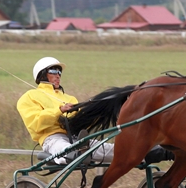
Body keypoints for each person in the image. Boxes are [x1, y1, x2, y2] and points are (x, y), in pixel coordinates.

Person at [16, 57, 172, 165]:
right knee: (64, 149)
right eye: (54, 72)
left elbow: (80, 120)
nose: (58, 76)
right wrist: (59, 110)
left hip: (75, 137)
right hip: (52, 139)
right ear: (43, 74)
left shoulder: (69, 98)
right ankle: (74, 154)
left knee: (113, 150)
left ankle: (151, 153)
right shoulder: (29, 97)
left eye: (60, 72)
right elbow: (35, 123)